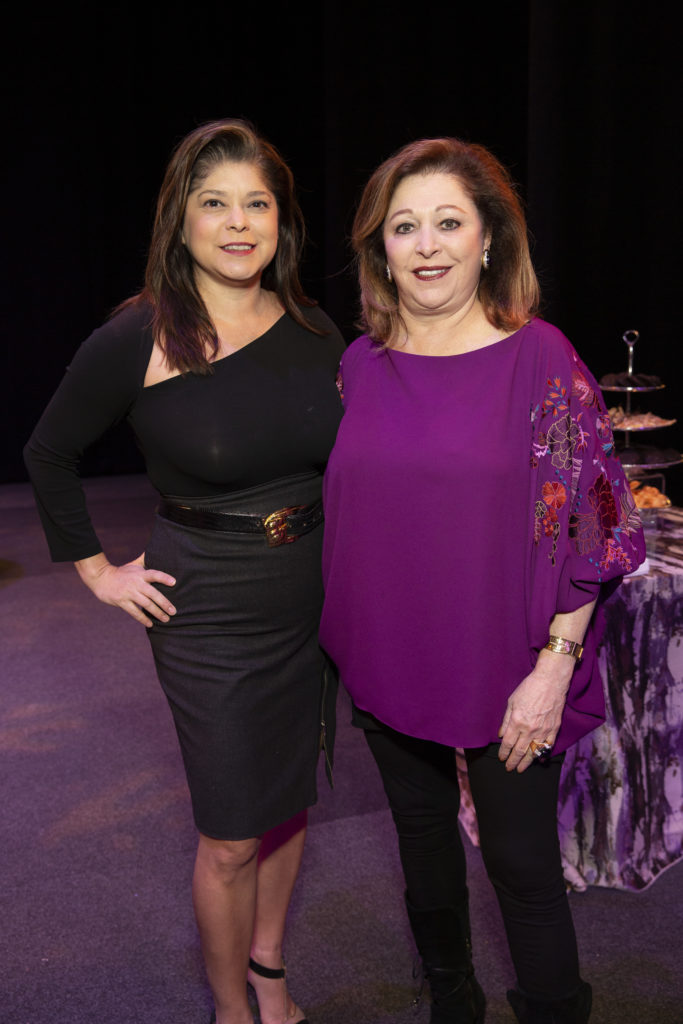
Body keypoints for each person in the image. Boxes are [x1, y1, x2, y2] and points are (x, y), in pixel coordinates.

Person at [24, 118, 345, 1024]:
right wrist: (96, 572)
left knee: (288, 805)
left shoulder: (315, 328)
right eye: (216, 204)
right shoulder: (141, 333)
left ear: (282, 220)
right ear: (182, 219)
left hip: (309, 596)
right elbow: (49, 451)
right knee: (231, 831)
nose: (239, 223)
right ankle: (228, 1009)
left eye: (258, 204)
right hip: (206, 606)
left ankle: (270, 969)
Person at [319, 137, 645, 1024]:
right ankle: (451, 1003)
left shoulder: (538, 359)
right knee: (421, 846)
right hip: (385, 656)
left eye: (448, 224)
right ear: (378, 247)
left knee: (521, 866)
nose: (426, 246)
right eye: (404, 227)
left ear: (489, 241)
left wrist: (552, 666)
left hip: (508, 664)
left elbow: (600, 517)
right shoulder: (360, 366)